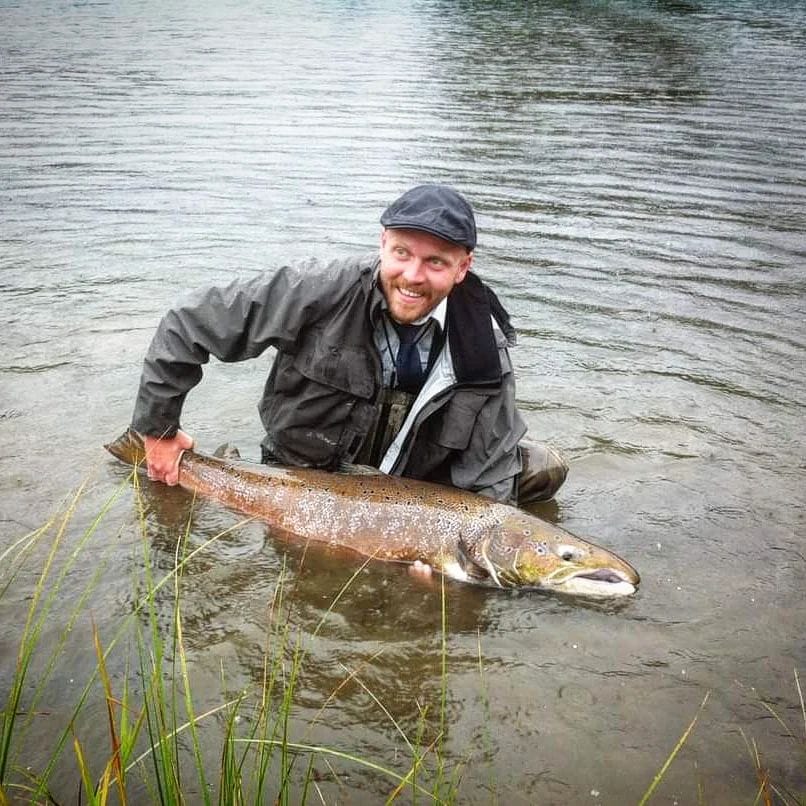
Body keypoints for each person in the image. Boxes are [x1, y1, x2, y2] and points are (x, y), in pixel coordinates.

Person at [131, 183, 567, 504]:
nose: (413, 276)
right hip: (304, 474)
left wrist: (460, 573)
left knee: (541, 468)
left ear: (462, 268)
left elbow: (488, 476)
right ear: (382, 244)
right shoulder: (316, 290)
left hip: (411, 487)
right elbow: (187, 323)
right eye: (402, 254)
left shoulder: (483, 350)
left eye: (435, 262)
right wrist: (159, 431)